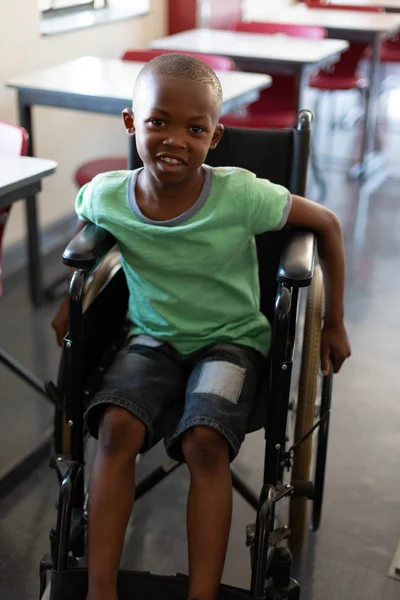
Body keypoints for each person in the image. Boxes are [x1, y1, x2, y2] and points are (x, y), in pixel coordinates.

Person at [52, 53, 351, 600]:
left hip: (231, 343)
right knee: (116, 429)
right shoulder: (109, 192)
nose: (174, 140)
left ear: (215, 137)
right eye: (157, 122)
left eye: (195, 129)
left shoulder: (240, 194)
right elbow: (89, 218)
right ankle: (99, 591)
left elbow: (327, 224)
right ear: (131, 123)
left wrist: (333, 323)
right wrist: (71, 303)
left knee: (205, 441)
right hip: (150, 339)